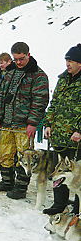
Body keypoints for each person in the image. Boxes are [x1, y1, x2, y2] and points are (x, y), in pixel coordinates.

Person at [0, 42, 49, 200]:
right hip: (6, 122)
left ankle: (21, 187)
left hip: (24, 124)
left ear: (28, 55)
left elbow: (40, 101)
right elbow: (1, 96)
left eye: (22, 58)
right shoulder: (9, 72)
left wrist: (33, 122)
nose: (19, 62)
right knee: (5, 153)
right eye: (16, 59)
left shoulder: (38, 75)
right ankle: (7, 182)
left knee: (25, 156)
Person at [43, 43, 81, 215]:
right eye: (67, 60)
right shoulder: (63, 78)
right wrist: (48, 123)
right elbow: (54, 103)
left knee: (78, 175)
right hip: (60, 136)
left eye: (71, 60)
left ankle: (78, 208)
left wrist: (79, 130)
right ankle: (59, 204)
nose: (68, 63)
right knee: (59, 171)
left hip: (77, 138)